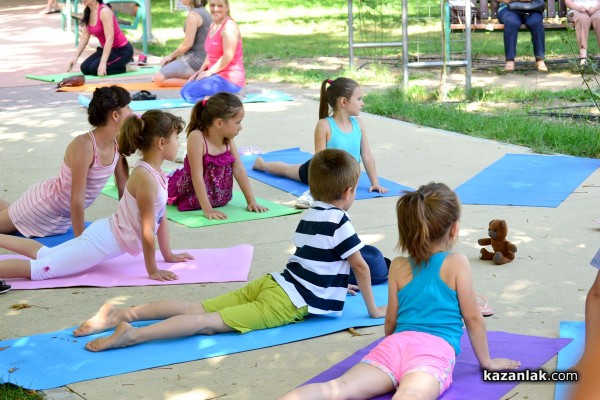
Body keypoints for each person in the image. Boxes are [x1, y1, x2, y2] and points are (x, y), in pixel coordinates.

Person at [73, 149, 387, 352]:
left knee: (197, 308)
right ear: (348, 192)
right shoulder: (341, 220)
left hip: (274, 283)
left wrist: (334, 283)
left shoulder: (310, 214)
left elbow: (315, 259)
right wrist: (373, 311)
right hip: (286, 302)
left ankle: (122, 314)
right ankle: (133, 335)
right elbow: (360, 266)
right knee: (208, 322)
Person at [280, 182, 521, 400]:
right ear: (454, 229)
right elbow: (472, 317)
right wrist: (487, 362)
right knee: (411, 394)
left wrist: (391, 349)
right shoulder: (457, 262)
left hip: (394, 345)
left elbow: (392, 319)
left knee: (339, 386)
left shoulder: (398, 265)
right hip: (432, 352)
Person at [0, 110, 193, 285]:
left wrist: (168, 254)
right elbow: (147, 230)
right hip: (100, 242)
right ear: (161, 143)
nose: (179, 144)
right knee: (42, 269)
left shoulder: (157, 173)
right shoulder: (146, 178)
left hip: (104, 235)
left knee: (45, 254)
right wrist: (152, 270)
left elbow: (161, 215)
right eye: (176, 137)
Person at [0, 86, 131, 239]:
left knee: (10, 213)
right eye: (127, 107)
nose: (131, 112)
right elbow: (76, 198)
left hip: (62, 217)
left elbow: (123, 187)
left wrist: (127, 224)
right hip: (42, 208)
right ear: (115, 115)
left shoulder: (117, 144)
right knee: (9, 220)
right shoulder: (84, 146)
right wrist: (81, 240)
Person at [252, 77, 388, 209]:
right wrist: (318, 190)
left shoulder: (358, 124)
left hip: (344, 174)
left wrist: (375, 182)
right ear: (344, 101)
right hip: (321, 170)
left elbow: (367, 154)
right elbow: (319, 161)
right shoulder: (324, 125)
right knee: (287, 171)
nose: (362, 103)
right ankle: (262, 164)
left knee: (290, 170)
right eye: (359, 99)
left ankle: (263, 164)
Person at [167, 92, 267, 219]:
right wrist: (208, 209)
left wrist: (251, 201)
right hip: (195, 197)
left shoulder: (228, 139)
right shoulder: (197, 137)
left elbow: (238, 169)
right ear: (219, 123)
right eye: (238, 122)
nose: (240, 127)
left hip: (221, 198)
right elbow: (196, 174)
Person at [180, 0, 245, 103]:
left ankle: (230, 99)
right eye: (212, 5)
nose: (215, 9)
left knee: (189, 93)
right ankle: (220, 97)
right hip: (216, 75)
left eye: (220, 6)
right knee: (183, 92)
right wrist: (200, 71)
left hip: (230, 79)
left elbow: (228, 56)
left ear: (226, 7)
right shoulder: (213, 25)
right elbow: (209, 54)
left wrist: (208, 73)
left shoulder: (229, 27)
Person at [153, 0, 212, 87]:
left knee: (159, 78)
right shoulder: (204, 11)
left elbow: (187, 44)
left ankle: (200, 83)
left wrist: (170, 56)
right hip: (202, 59)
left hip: (196, 61)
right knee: (160, 72)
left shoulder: (193, 15)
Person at [67, 0, 134, 76]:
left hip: (122, 51)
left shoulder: (104, 11)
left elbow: (110, 38)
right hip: (108, 50)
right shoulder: (87, 12)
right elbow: (85, 36)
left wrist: (103, 62)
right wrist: (76, 56)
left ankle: (126, 67)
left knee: (94, 69)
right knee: (84, 68)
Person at [497, 0, 548, 72]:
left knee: (536, 23)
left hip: (533, 8)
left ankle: (540, 59)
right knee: (512, 23)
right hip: (508, 9)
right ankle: (510, 60)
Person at [565, 0, 600, 66]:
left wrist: (595, 8)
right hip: (576, 10)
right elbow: (568, 1)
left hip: (596, 10)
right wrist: (578, 8)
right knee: (582, 19)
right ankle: (583, 57)